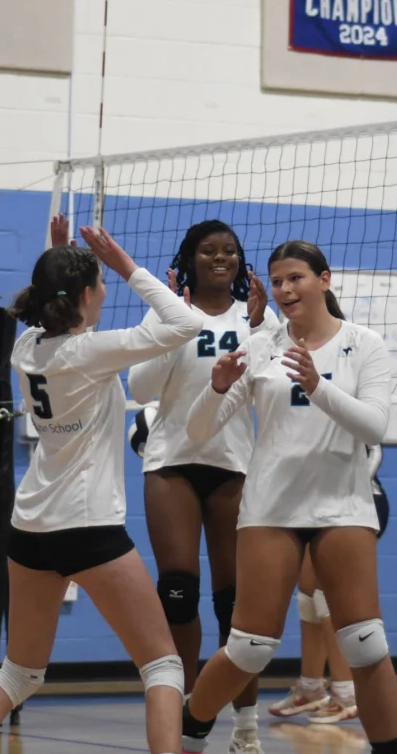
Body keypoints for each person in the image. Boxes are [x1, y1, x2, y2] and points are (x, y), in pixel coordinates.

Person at [0, 215, 202, 754]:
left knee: (19, 673)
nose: (106, 290)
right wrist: (124, 264)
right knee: (163, 666)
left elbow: (49, 309)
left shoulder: (26, 348)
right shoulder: (89, 352)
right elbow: (183, 323)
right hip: (88, 527)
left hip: (30, 527)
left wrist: (60, 257)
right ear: (86, 294)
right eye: (100, 285)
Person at [177, 241, 397, 754]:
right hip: (271, 508)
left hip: (342, 505)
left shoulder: (364, 343)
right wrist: (215, 389)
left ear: (324, 280)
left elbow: (375, 425)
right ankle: (188, 730)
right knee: (251, 647)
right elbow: (197, 431)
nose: (284, 290)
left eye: (295, 278)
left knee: (366, 644)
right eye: (277, 281)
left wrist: (317, 384)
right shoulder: (259, 345)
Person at [125, 220, 275, 754]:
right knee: (179, 595)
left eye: (230, 251)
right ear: (189, 259)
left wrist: (260, 331)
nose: (221, 259)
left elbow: (271, 391)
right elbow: (139, 386)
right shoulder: (168, 308)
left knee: (237, 607)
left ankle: (247, 730)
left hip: (233, 466)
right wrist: (177, 324)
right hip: (172, 463)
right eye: (209, 251)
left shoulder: (256, 317)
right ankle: (188, 721)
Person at [272, 444, 390, 726]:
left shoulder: (342, 402)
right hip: (313, 504)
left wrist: (351, 491)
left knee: (327, 594)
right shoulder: (297, 406)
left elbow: (375, 448)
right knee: (308, 594)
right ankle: (311, 687)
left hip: (354, 503)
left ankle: (346, 693)